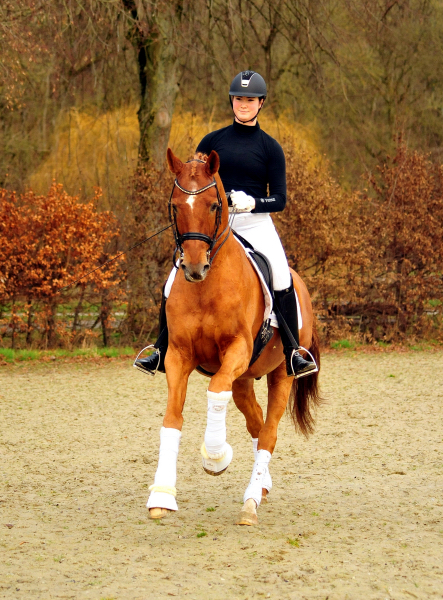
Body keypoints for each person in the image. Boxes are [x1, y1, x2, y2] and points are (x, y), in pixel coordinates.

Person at [136, 70, 316, 379]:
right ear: (231, 101)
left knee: (282, 277)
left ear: (260, 104)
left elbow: (281, 200)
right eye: (238, 99)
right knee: (171, 281)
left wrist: (253, 202)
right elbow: (194, 180)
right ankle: (159, 350)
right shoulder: (211, 141)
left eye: (249, 100)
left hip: (256, 225)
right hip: (214, 226)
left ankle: (293, 352)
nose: (243, 104)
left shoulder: (270, 148)